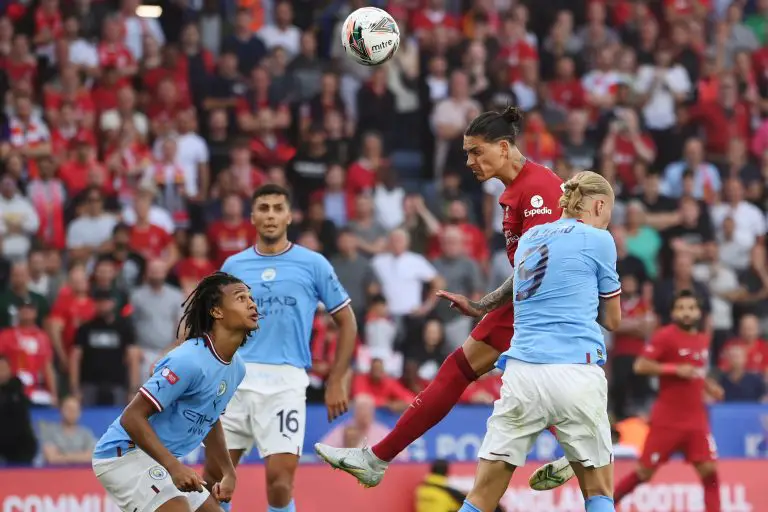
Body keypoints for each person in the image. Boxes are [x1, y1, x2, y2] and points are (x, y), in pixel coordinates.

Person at [315, 106, 573, 488]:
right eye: (466, 152)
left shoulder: (538, 190)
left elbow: (543, 266)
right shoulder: (515, 189)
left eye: (475, 151)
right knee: (471, 372)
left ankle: (582, 445)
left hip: (542, 306)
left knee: (492, 377)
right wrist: (486, 304)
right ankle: (580, 447)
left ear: (503, 147)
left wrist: (487, 305)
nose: (468, 161)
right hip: (528, 303)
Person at [448, 171, 621, 512]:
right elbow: (613, 321)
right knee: (599, 491)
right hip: (576, 372)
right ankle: (576, 459)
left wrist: (483, 304)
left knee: (481, 496)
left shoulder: (532, 237)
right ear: (599, 204)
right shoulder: (600, 240)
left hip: (521, 373)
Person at [204, 184, 357, 512]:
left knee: (279, 482)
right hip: (234, 381)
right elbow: (212, 325)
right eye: (263, 208)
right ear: (253, 216)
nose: (270, 215)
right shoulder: (234, 265)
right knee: (213, 479)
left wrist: (336, 379)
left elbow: (348, 321)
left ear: (289, 216)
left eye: (277, 208)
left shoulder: (313, 263)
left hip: (285, 384)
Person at [91, 272, 257, 512]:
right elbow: (132, 417)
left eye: (251, 297)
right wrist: (174, 467)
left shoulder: (236, 368)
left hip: (159, 460)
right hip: (123, 455)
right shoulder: (188, 360)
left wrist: (228, 472)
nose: (252, 303)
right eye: (241, 298)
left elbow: (210, 417)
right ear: (217, 312)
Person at [612, 290, 724, 511]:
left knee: (710, 473)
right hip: (668, 420)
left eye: (691, 308)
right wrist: (673, 369)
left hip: (695, 420)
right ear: (673, 312)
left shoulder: (702, 340)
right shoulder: (665, 336)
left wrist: (711, 387)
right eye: (681, 308)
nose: (686, 313)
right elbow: (640, 365)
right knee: (644, 473)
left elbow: (696, 371)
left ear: (699, 312)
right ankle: (605, 505)